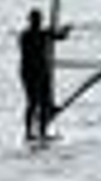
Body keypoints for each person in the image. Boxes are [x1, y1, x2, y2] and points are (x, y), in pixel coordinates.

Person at [18, 8, 69, 142]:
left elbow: (59, 36)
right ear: (31, 21)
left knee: (42, 102)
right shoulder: (28, 35)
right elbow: (56, 36)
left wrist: (63, 31)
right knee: (34, 102)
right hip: (32, 73)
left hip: (40, 71)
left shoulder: (40, 34)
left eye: (39, 20)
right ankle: (31, 132)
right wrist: (60, 32)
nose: (38, 22)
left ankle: (41, 131)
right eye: (36, 20)